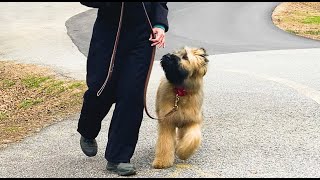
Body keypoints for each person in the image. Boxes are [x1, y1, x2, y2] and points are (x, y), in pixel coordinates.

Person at [77, 2, 169, 176]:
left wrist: (159, 24)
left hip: (143, 36)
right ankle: (88, 130)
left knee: (132, 96)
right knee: (101, 89)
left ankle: (118, 158)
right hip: (109, 35)